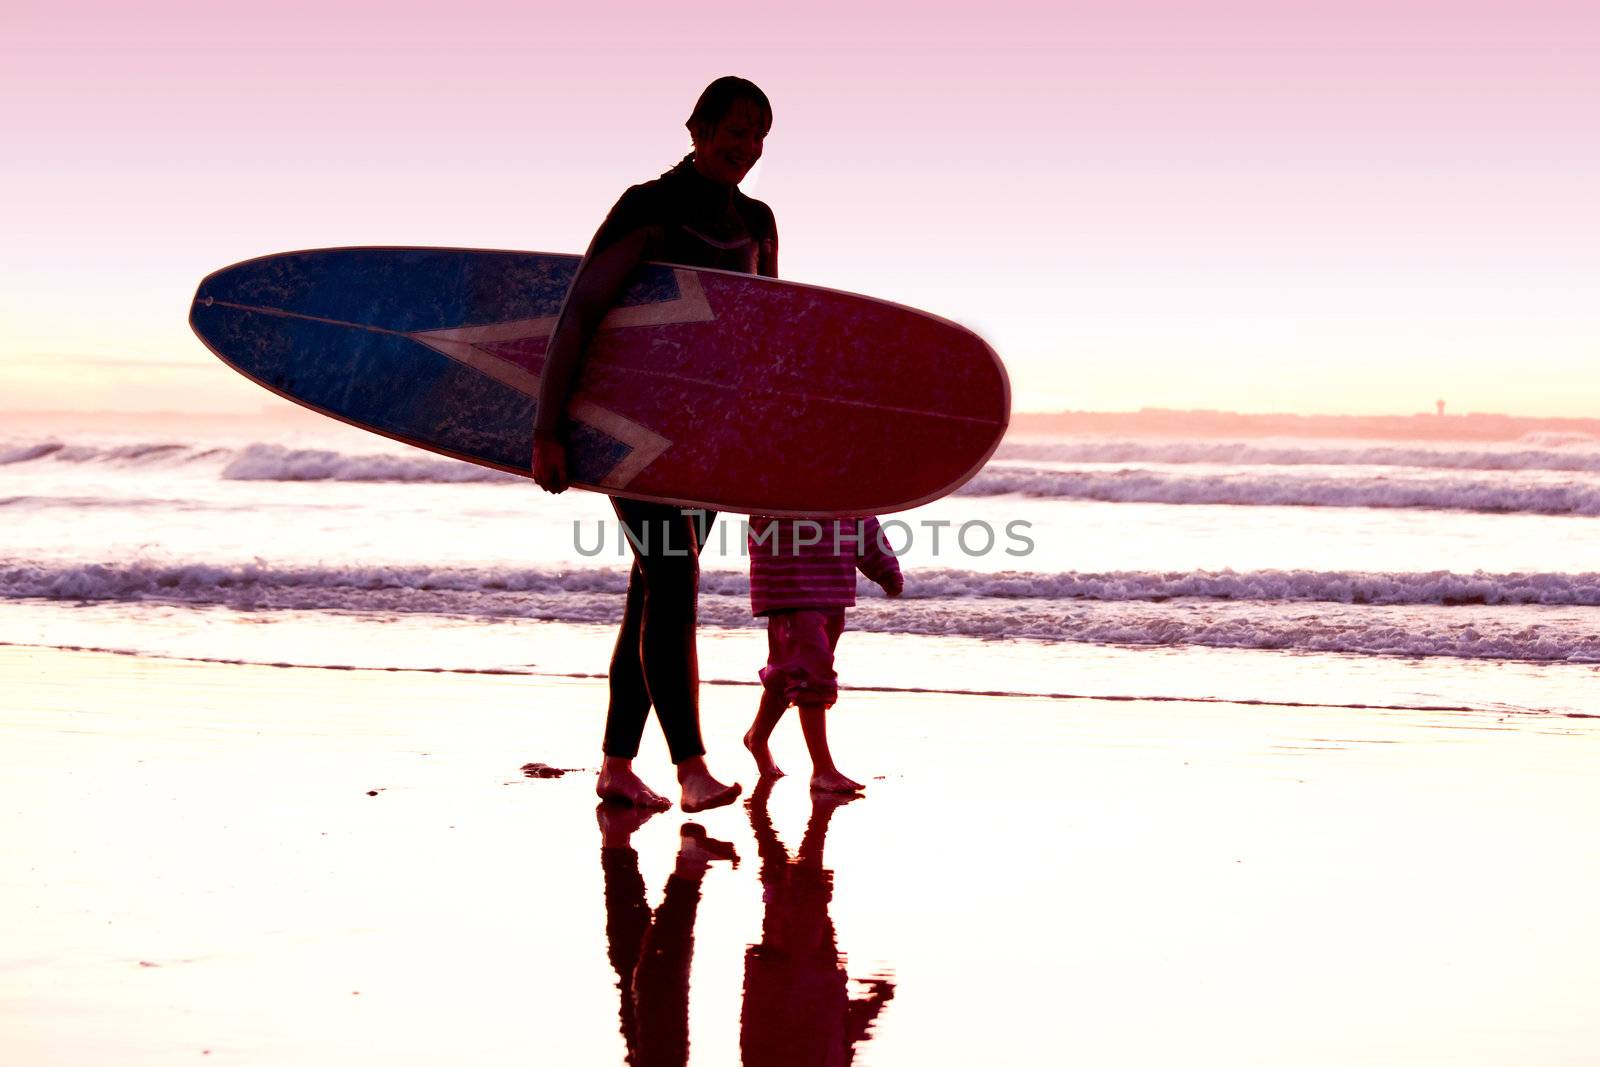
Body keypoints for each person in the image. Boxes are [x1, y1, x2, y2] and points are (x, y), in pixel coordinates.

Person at [532, 76, 776, 813]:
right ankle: (691, 765)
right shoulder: (649, 207)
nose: (744, 146)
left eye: (758, 133)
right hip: (627, 429)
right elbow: (578, 314)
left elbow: (761, 339)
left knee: (652, 588)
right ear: (696, 128)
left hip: (701, 440)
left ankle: (614, 766)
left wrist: (756, 445)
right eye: (731, 129)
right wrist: (548, 429)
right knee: (674, 578)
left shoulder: (759, 222)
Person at [742, 516, 902, 793]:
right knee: (811, 673)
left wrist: (885, 569)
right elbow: (757, 509)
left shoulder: (841, 477)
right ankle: (822, 768)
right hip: (789, 586)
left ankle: (757, 737)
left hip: (833, 587)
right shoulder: (774, 476)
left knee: (789, 672)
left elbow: (864, 519)